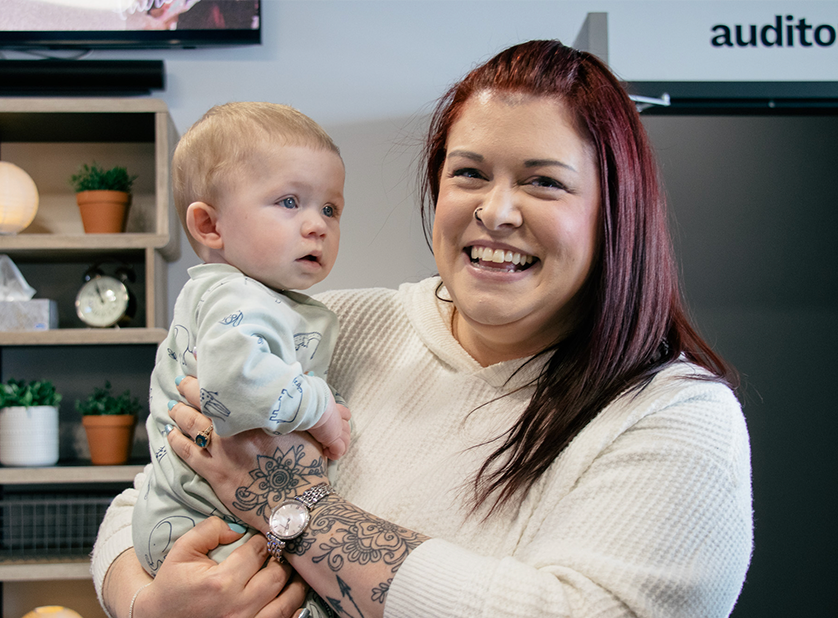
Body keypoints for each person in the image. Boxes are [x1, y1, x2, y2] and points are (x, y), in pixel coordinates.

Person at [92, 40, 753, 618]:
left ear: (616, 212)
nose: (495, 211)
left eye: (544, 182)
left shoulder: (677, 415)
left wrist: (296, 510)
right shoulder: (335, 325)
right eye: (469, 173)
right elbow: (140, 500)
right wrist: (146, 605)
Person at [132, 101, 351, 578]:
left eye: (330, 208)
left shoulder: (238, 295)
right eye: (289, 202)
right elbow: (235, 382)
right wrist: (323, 409)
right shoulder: (238, 295)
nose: (317, 224)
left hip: (190, 520)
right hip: (208, 532)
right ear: (211, 225)